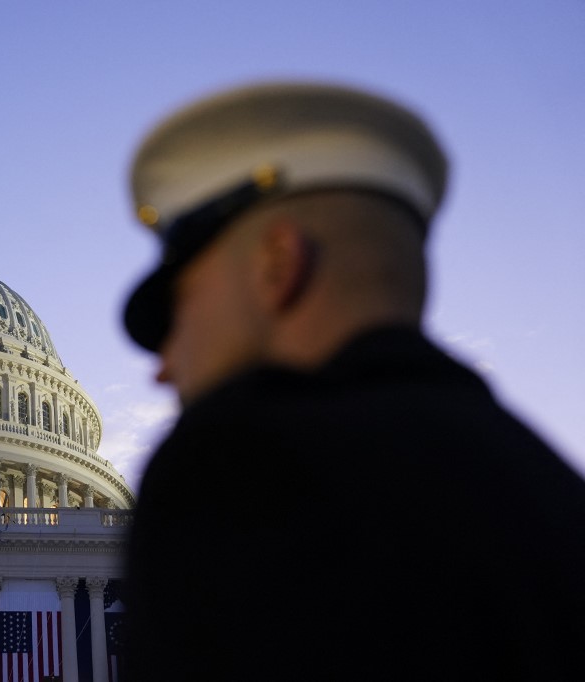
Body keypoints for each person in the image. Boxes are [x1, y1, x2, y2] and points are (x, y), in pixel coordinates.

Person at [119, 80, 585, 679]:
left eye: (175, 311)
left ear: (277, 264)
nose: (163, 365)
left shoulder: (241, 463)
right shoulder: (550, 489)